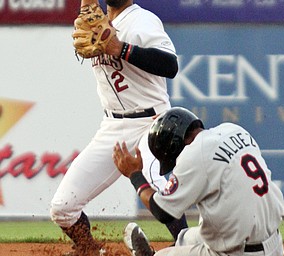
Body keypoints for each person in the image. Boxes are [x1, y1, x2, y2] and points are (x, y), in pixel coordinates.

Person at [50, 1, 188, 255]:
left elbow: (170, 66)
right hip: (112, 126)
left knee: (156, 184)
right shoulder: (97, 23)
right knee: (62, 207)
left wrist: (120, 48)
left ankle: (187, 244)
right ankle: (92, 250)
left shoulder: (142, 20)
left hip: (151, 121)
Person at [113, 107, 284, 256]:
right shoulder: (233, 129)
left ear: (176, 145)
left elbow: (163, 212)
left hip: (238, 252)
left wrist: (135, 175)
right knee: (185, 238)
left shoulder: (195, 153)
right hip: (274, 242)